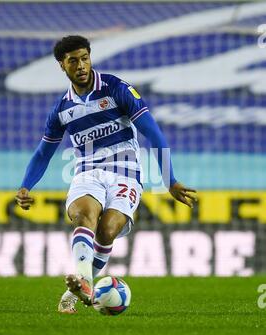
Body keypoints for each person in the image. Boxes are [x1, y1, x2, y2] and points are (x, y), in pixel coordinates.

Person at [15, 35, 196, 314]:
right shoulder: (62, 110)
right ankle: (84, 281)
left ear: (90, 58)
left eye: (84, 58)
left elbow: (154, 134)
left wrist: (169, 180)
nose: (81, 65)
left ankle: (72, 291)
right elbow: (43, 153)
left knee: (108, 230)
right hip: (87, 172)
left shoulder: (116, 88)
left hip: (126, 173)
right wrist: (26, 186)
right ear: (61, 66)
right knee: (83, 214)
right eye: (72, 61)